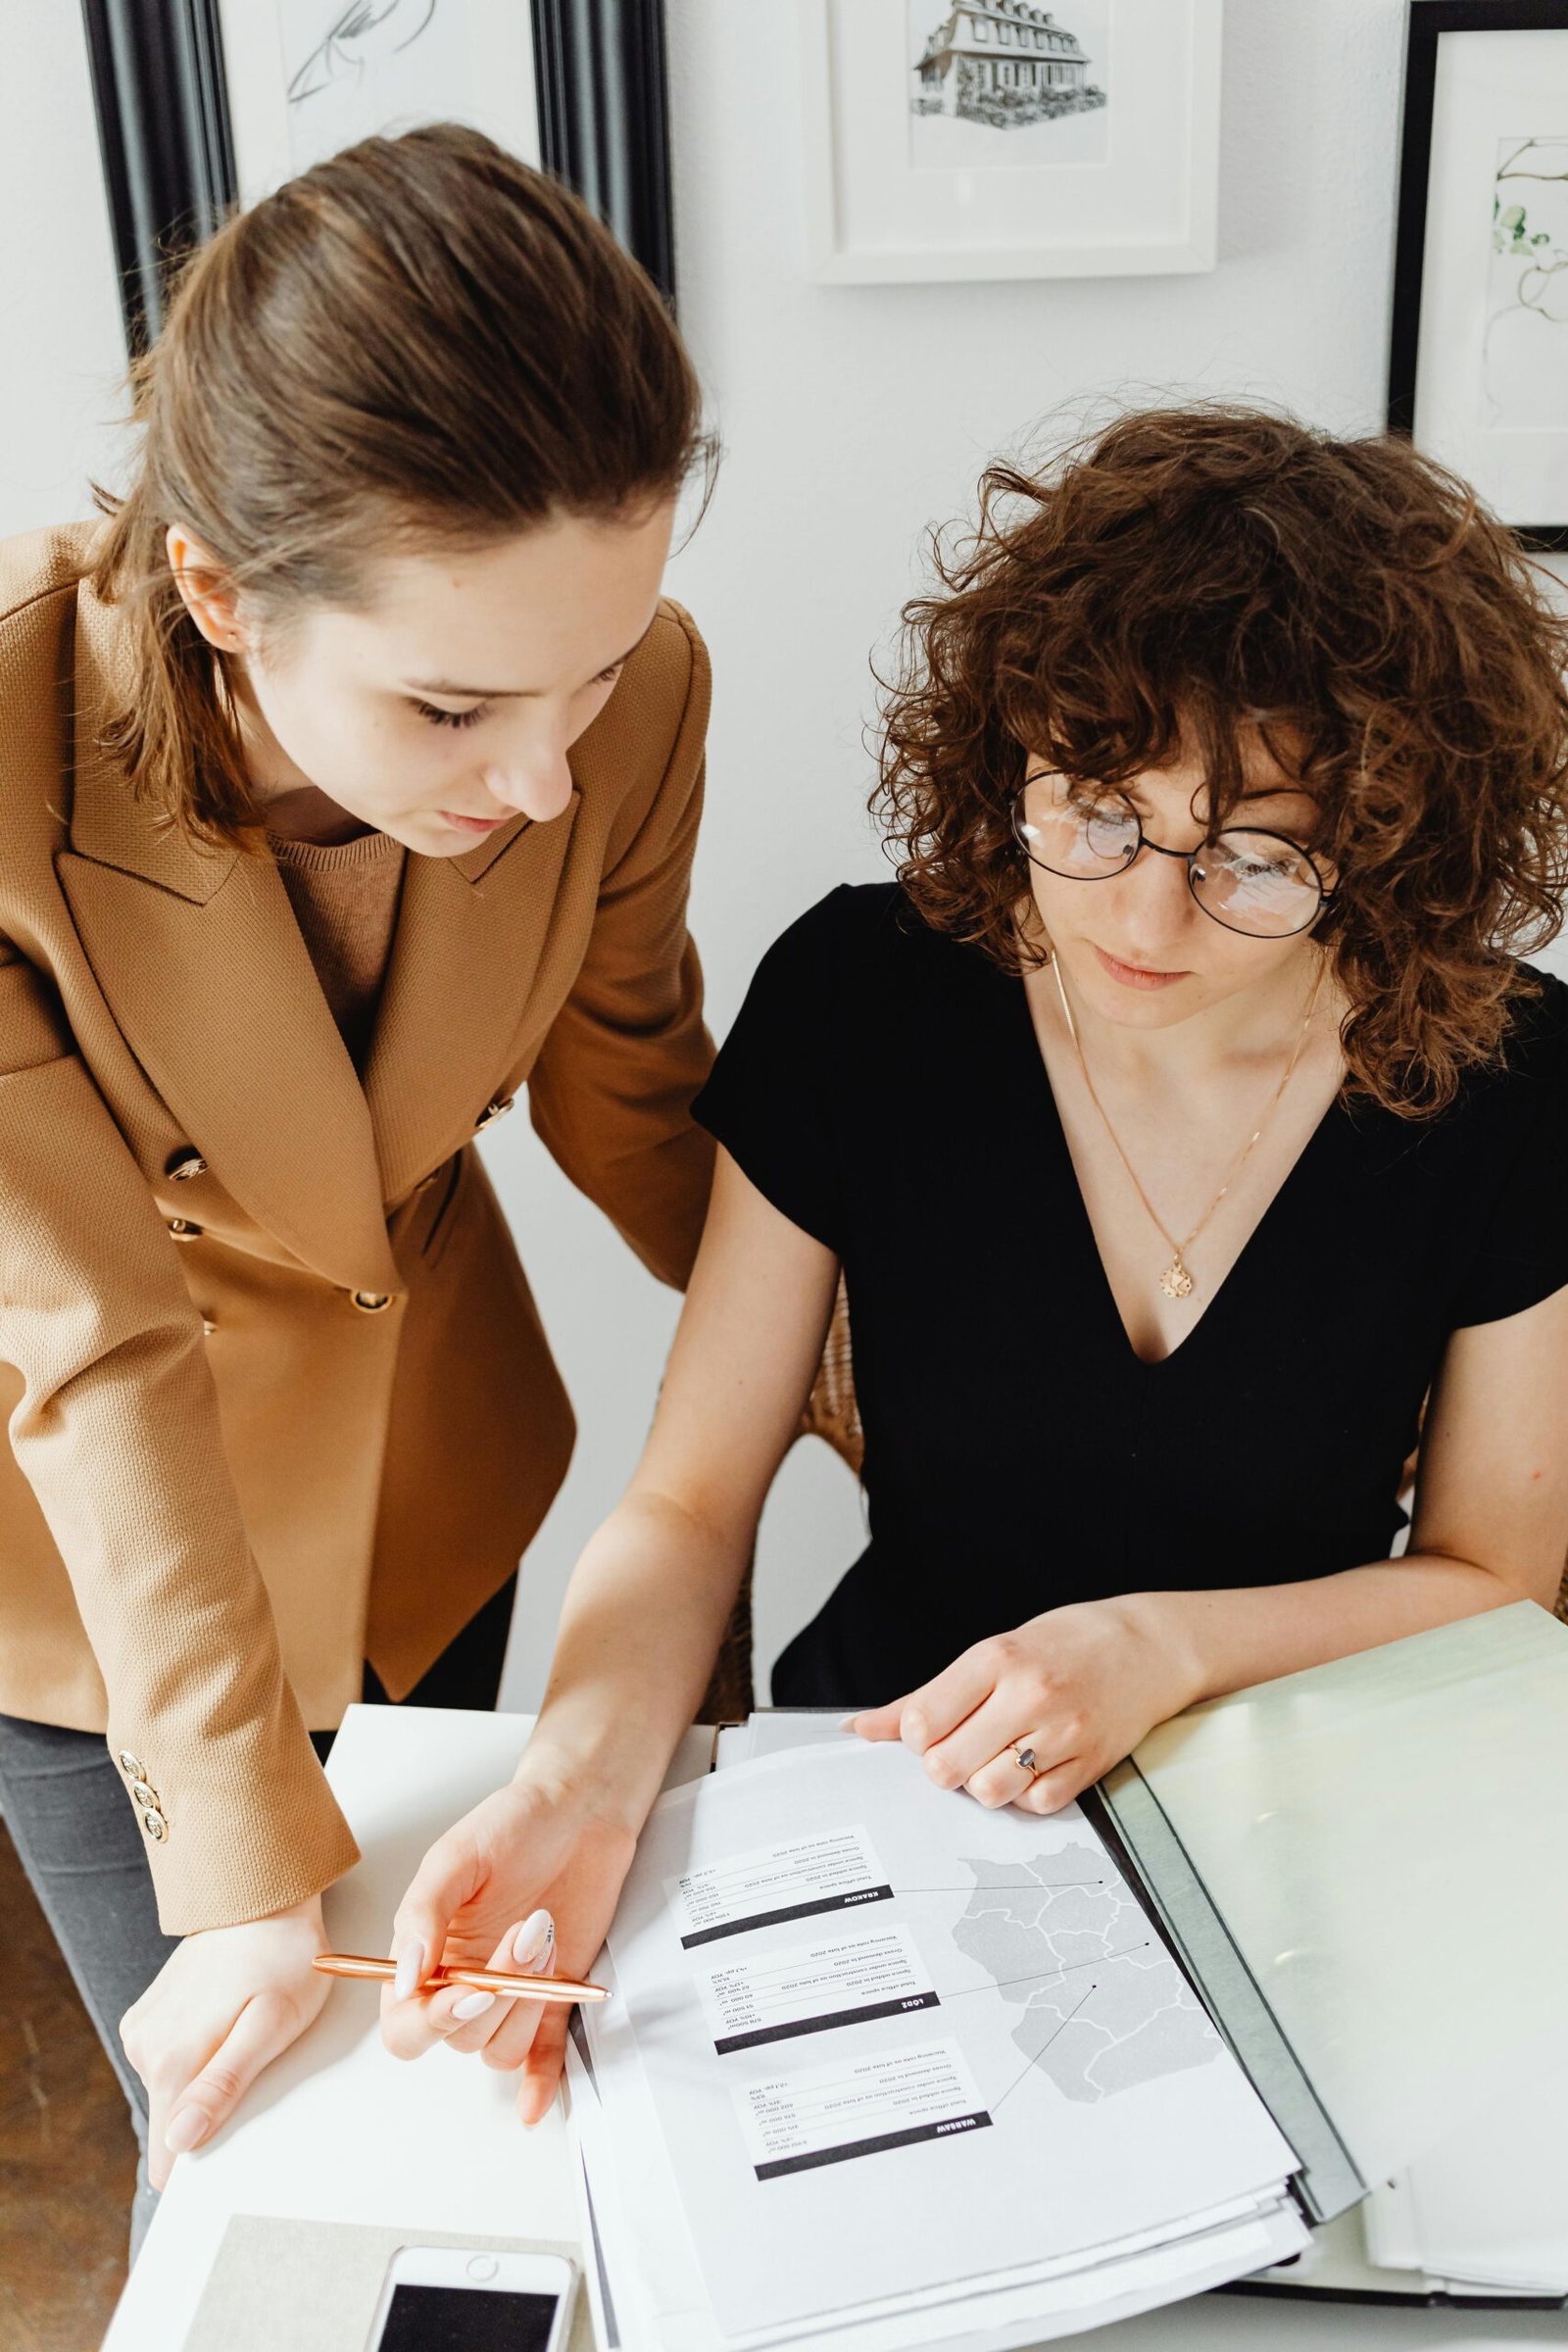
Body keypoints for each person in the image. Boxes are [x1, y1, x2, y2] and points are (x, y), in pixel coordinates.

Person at [378, 407, 1568, 2126]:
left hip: (1295, 1782)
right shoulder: (871, 999)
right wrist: (566, 1792)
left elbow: (1496, 1572)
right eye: (1093, 810)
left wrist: (1155, 1648)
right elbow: (691, 1504)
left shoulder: (1506, 1079)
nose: (1144, 921)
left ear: (1386, 843)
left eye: (1252, 859)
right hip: (895, 1772)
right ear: (1008, 749)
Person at [0, 122, 718, 2253]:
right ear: (220, 591)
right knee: (240, 2156)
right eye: (453, 702)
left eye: (592, 671)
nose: (543, 777)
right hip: (94, 1586)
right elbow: (90, 1333)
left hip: (431, 1478)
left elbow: (633, 1100)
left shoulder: (633, 702)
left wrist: (902, 1383)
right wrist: (236, 1880)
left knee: (480, 2116)